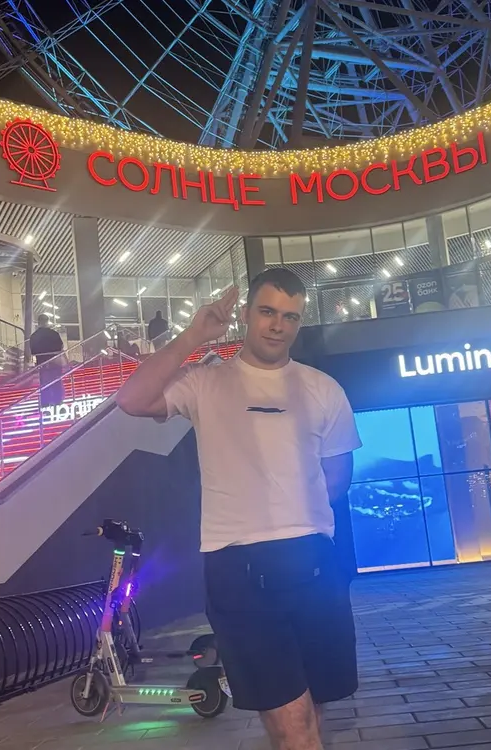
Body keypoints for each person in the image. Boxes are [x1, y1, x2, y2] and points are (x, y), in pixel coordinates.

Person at [116, 268, 361, 750]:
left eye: (290, 316)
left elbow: (338, 477)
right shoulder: (206, 382)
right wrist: (193, 335)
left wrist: (293, 513)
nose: (277, 325)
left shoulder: (323, 388)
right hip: (239, 565)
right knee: (293, 724)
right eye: (267, 312)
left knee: (312, 714)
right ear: (246, 314)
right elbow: (132, 399)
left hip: (314, 559)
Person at [29, 314, 65, 407]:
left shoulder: (34, 336)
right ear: (47, 322)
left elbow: (33, 351)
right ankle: (58, 403)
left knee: (44, 384)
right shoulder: (54, 334)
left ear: (38, 322)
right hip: (55, 362)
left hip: (42, 364)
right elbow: (60, 348)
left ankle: (45, 404)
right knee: (56, 383)